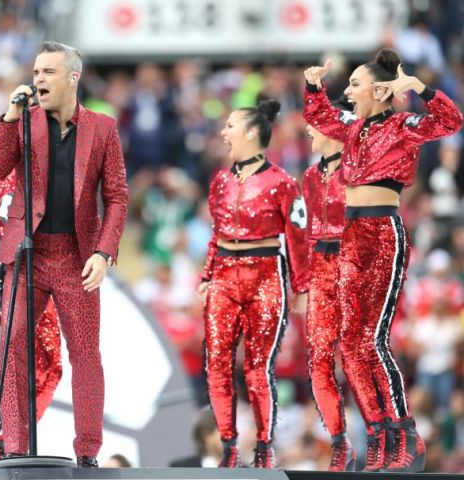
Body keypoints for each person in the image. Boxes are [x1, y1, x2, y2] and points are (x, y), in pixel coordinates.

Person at [303, 49, 463, 472]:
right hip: (350, 235)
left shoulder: (403, 126)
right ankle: (378, 435)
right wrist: (313, 86)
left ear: (378, 89)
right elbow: (320, 118)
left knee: (372, 339)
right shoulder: (353, 130)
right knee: (351, 344)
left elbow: (452, 121)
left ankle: (406, 433)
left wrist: (419, 88)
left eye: (354, 84)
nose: (348, 92)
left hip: (382, 233)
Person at [0, 41, 128, 467]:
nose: (38, 79)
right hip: (27, 252)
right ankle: (16, 449)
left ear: (72, 78)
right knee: (14, 348)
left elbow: (117, 196)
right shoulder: (24, 122)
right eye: (36, 71)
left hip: (76, 255)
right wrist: (9, 118)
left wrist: (103, 252)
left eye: (48, 72)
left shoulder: (102, 128)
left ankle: (87, 453)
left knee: (85, 353)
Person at [196, 99, 308, 469]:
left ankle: (263, 446)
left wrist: (301, 285)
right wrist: (207, 275)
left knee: (259, 366)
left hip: (266, 273)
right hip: (225, 273)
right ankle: (228, 445)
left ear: (249, 133)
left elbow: (297, 236)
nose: (224, 132)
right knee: (217, 362)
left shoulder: (282, 182)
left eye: (230, 126)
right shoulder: (221, 181)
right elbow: (215, 234)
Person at [0, 169, 63, 468]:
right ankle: (0, 444)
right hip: (18, 272)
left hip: (33, 273)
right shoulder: (30, 175)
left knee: (48, 368)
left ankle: (10, 441)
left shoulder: (17, 178)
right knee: (26, 363)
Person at [302, 98, 355, 471]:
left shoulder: (359, 171)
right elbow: (306, 233)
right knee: (318, 356)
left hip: (353, 263)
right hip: (321, 266)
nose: (309, 129)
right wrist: (303, 280)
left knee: (356, 355)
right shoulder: (309, 176)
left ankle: (386, 431)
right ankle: (339, 441)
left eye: (316, 123)